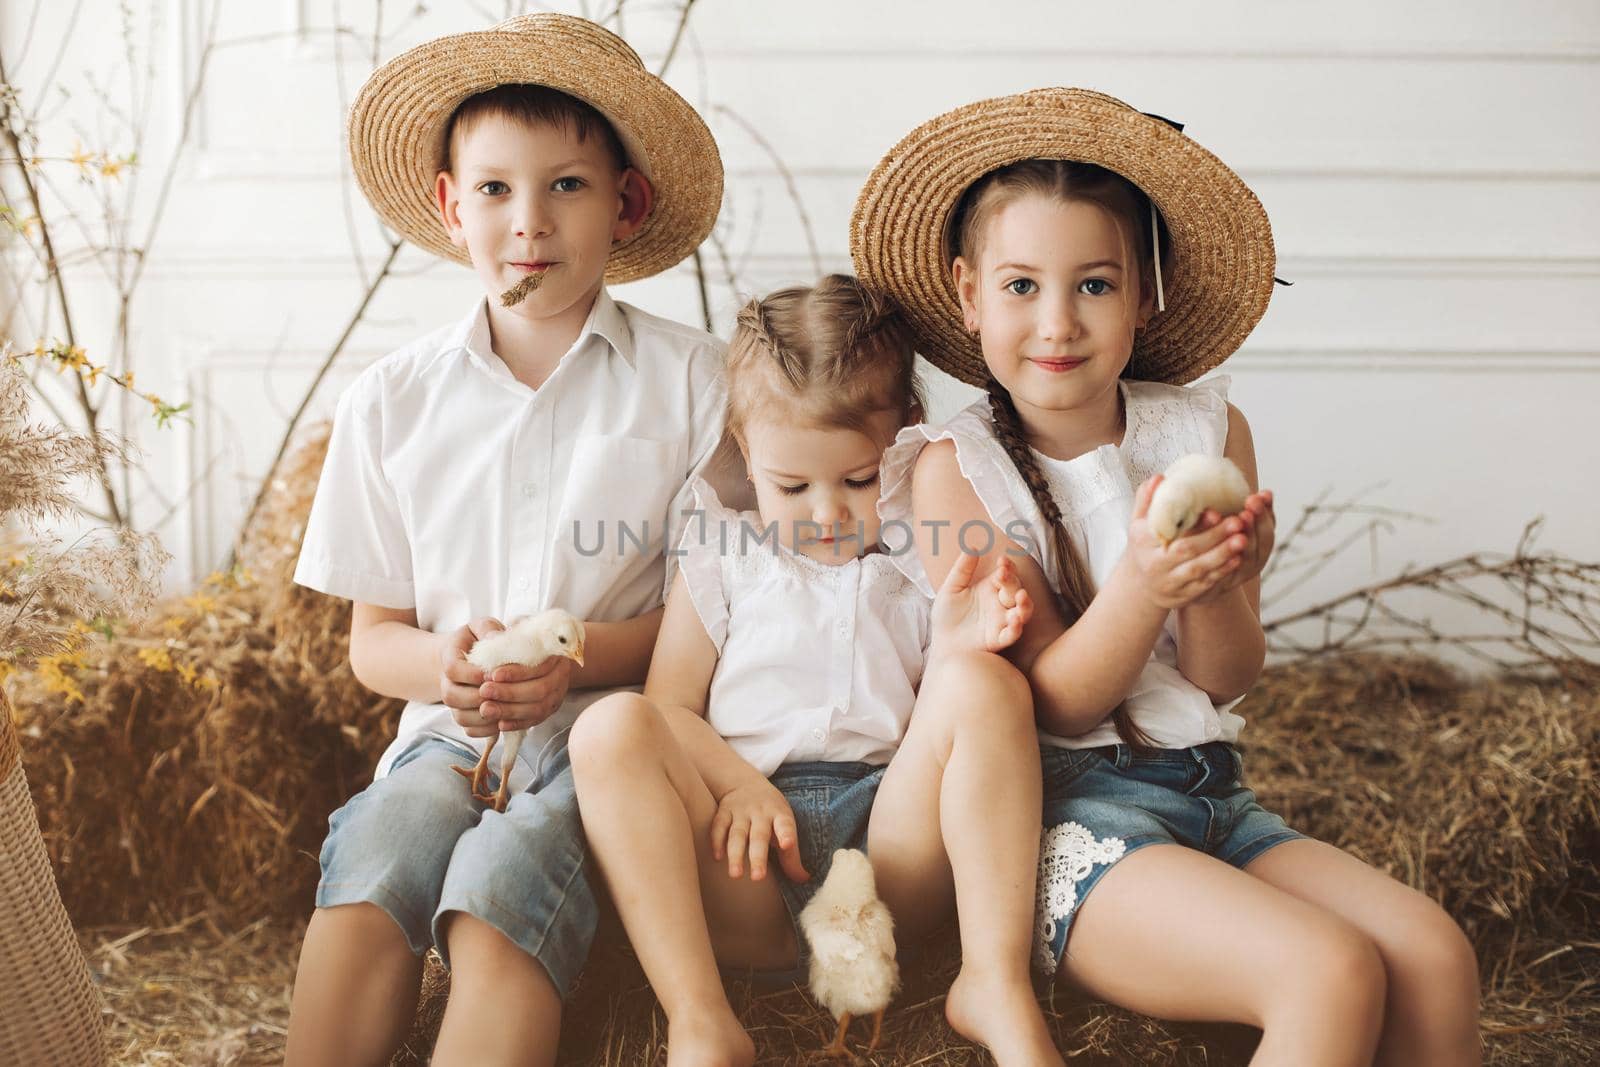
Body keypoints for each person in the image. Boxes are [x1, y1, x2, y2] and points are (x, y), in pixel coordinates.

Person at [857, 88, 1482, 1065]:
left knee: (1434, 955)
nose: (1057, 320)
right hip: (1067, 815)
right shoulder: (953, 468)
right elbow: (1053, 703)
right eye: (1020, 285)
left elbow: (1226, 677)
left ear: (1145, 295)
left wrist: (1221, 583)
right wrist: (1145, 585)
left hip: (1212, 794)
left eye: (1094, 285)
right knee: (1326, 969)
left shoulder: (1203, 432)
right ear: (967, 292)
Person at [284, 14, 726, 1066]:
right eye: (493, 189)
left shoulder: (695, 383)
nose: (527, 223)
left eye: (566, 185)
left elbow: (716, 613)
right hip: (446, 731)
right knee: (385, 839)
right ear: (449, 206)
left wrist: (574, 654)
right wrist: (449, 662)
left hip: (610, 744)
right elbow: (373, 638)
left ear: (627, 204)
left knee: (504, 880)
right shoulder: (392, 400)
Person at [569, 274, 1057, 1066]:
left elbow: (949, 732)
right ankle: (699, 1013)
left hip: (889, 858)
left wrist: (961, 638)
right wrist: (740, 784)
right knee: (610, 729)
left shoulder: (920, 548)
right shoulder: (722, 553)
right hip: (748, 864)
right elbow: (669, 711)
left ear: (906, 432)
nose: (826, 512)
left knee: (987, 683)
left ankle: (993, 979)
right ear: (743, 447)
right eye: (791, 485)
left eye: (858, 480)